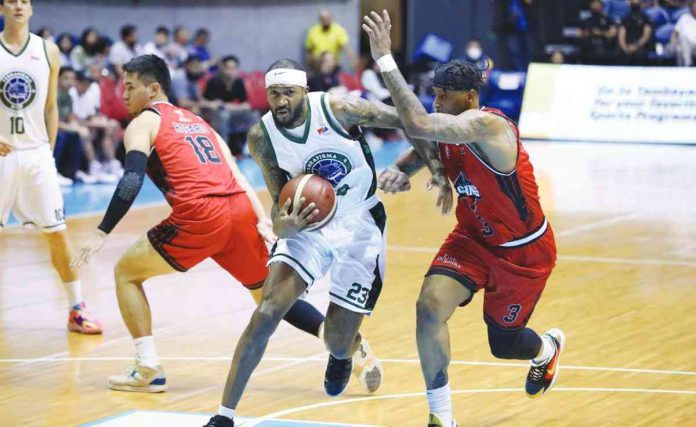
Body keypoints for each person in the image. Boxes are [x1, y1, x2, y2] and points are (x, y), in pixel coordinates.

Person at [203, 58, 450, 427]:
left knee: (336, 338)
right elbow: (276, 199)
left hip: (360, 225)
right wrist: (281, 225)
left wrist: (431, 168)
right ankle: (224, 416)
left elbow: (408, 119)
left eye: (288, 92)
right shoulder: (262, 136)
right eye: (273, 93)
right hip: (308, 224)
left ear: (304, 90)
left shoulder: (338, 109)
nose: (280, 101)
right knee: (268, 310)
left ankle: (341, 354)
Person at [71, 54, 328, 393]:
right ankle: (345, 341)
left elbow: (131, 180)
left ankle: (148, 366)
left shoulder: (143, 123)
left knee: (125, 273)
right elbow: (236, 174)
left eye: (130, 87)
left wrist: (102, 232)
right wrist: (261, 220)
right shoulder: (197, 121)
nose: (124, 95)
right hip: (238, 209)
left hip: (199, 215)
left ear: (153, 89)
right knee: (270, 297)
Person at [363, 11, 564, 427]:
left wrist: (385, 60)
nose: (437, 102)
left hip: (521, 253)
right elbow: (428, 145)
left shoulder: (489, 126)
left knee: (504, 344)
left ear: (470, 97)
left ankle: (545, 349)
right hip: (471, 240)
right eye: (434, 93)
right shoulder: (454, 127)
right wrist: (405, 167)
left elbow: (419, 123)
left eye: (444, 96)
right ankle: (442, 417)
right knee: (428, 306)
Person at [0, 0, 102, 334]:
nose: (19, 6)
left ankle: (76, 308)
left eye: (25, 1)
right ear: (2, 8)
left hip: (37, 155)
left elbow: (50, 107)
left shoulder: (48, 51)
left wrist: (49, 148)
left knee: (58, 235)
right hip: (2, 155)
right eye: (12, 1)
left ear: (31, 9)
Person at [201, 55, 256, 156]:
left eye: (233, 68)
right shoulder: (214, 82)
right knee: (223, 115)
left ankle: (249, 147)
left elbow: (246, 105)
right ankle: (223, 149)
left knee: (253, 115)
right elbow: (203, 102)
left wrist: (226, 105)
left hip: (230, 111)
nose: (230, 71)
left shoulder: (238, 82)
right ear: (222, 68)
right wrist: (213, 104)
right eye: (228, 68)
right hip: (215, 113)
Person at [580, 0, 617, 65]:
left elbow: (612, 34)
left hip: (606, 47)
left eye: (598, 4)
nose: (595, 6)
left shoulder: (609, 20)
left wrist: (599, 33)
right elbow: (581, 34)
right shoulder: (586, 21)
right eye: (593, 4)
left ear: (602, 6)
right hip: (590, 49)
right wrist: (587, 34)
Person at [618, 0, 653, 65]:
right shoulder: (625, 18)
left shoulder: (645, 18)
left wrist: (636, 46)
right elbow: (621, 36)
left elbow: (646, 36)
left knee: (639, 54)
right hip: (627, 45)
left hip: (641, 46)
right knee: (621, 54)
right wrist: (625, 47)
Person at [672, 1, 696, 66]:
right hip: (684, 44)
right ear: (691, 7)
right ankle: (685, 67)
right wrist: (673, 42)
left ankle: (687, 65)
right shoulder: (684, 18)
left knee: (681, 46)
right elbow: (675, 32)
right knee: (680, 48)